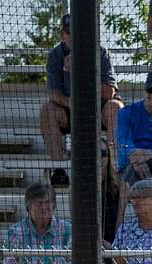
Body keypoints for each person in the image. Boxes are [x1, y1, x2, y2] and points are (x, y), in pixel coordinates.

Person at [42, 14, 124, 187]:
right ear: (63, 35)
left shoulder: (100, 53)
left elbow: (110, 91)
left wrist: (80, 70)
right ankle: (58, 170)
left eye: (79, 31)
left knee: (115, 107)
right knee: (48, 110)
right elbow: (53, 94)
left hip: (98, 108)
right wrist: (72, 102)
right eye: (70, 32)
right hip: (70, 109)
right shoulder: (56, 55)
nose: (74, 36)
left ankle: (118, 167)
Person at [3, 183, 72, 264]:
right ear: (29, 206)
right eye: (39, 203)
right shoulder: (16, 231)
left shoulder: (67, 230)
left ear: (54, 205)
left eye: (48, 202)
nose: (44, 207)